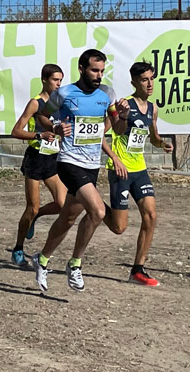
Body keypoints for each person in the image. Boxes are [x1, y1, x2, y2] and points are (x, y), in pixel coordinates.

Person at [30, 49, 130, 292]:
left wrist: (124, 116)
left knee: (69, 217)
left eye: (102, 71)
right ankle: (75, 264)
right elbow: (41, 116)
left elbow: (117, 129)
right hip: (68, 162)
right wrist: (55, 126)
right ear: (82, 69)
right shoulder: (64, 93)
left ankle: (41, 260)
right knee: (96, 211)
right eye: (94, 70)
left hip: (91, 164)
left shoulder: (107, 94)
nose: (99, 76)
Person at [101, 61, 173, 287]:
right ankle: (93, 205)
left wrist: (161, 143)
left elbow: (152, 136)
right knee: (119, 227)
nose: (150, 84)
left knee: (151, 215)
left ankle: (138, 269)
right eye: (144, 79)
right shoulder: (123, 106)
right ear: (134, 82)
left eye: (152, 78)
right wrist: (114, 158)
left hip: (139, 169)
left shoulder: (153, 108)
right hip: (121, 170)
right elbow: (100, 135)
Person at [8, 64, 67, 267]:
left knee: (62, 204)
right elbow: (16, 131)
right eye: (55, 80)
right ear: (44, 80)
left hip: (52, 159)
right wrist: (38, 135)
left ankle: (38, 216)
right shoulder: (36, 103)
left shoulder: (60, 103)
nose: (59, 84)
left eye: (61, 80)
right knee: (31, 208)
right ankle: (18, 247)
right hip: (35, 158)